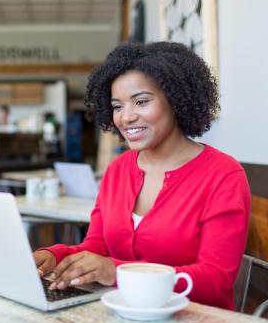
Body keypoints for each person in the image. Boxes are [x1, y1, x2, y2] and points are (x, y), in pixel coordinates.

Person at [33, 42, 250, 310]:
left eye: (141, 101)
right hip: (123, 311)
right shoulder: (118, 170)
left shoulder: (223, 175)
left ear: (176, 98)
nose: (126, 117)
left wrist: (116, 271)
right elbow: (98, 246)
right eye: (117, 106)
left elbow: (216, 280)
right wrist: (54, 255)